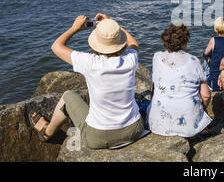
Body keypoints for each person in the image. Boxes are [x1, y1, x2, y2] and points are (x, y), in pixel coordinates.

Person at [28, 14, 144, 149]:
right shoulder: (130, 59)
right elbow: (134, 43)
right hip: (134, 129)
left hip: (98, 137)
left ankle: (47, 132)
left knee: (68, 96)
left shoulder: (90, 63)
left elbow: (56, 46)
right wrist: (112, 26)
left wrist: (74, 28)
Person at [148, 24, 212, 137]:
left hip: (157, 124)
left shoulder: (156, 57)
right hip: (188, 128)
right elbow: (206, 95)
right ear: (185, 42)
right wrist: (203, 108)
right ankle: (198, 125)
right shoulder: (194, 61)